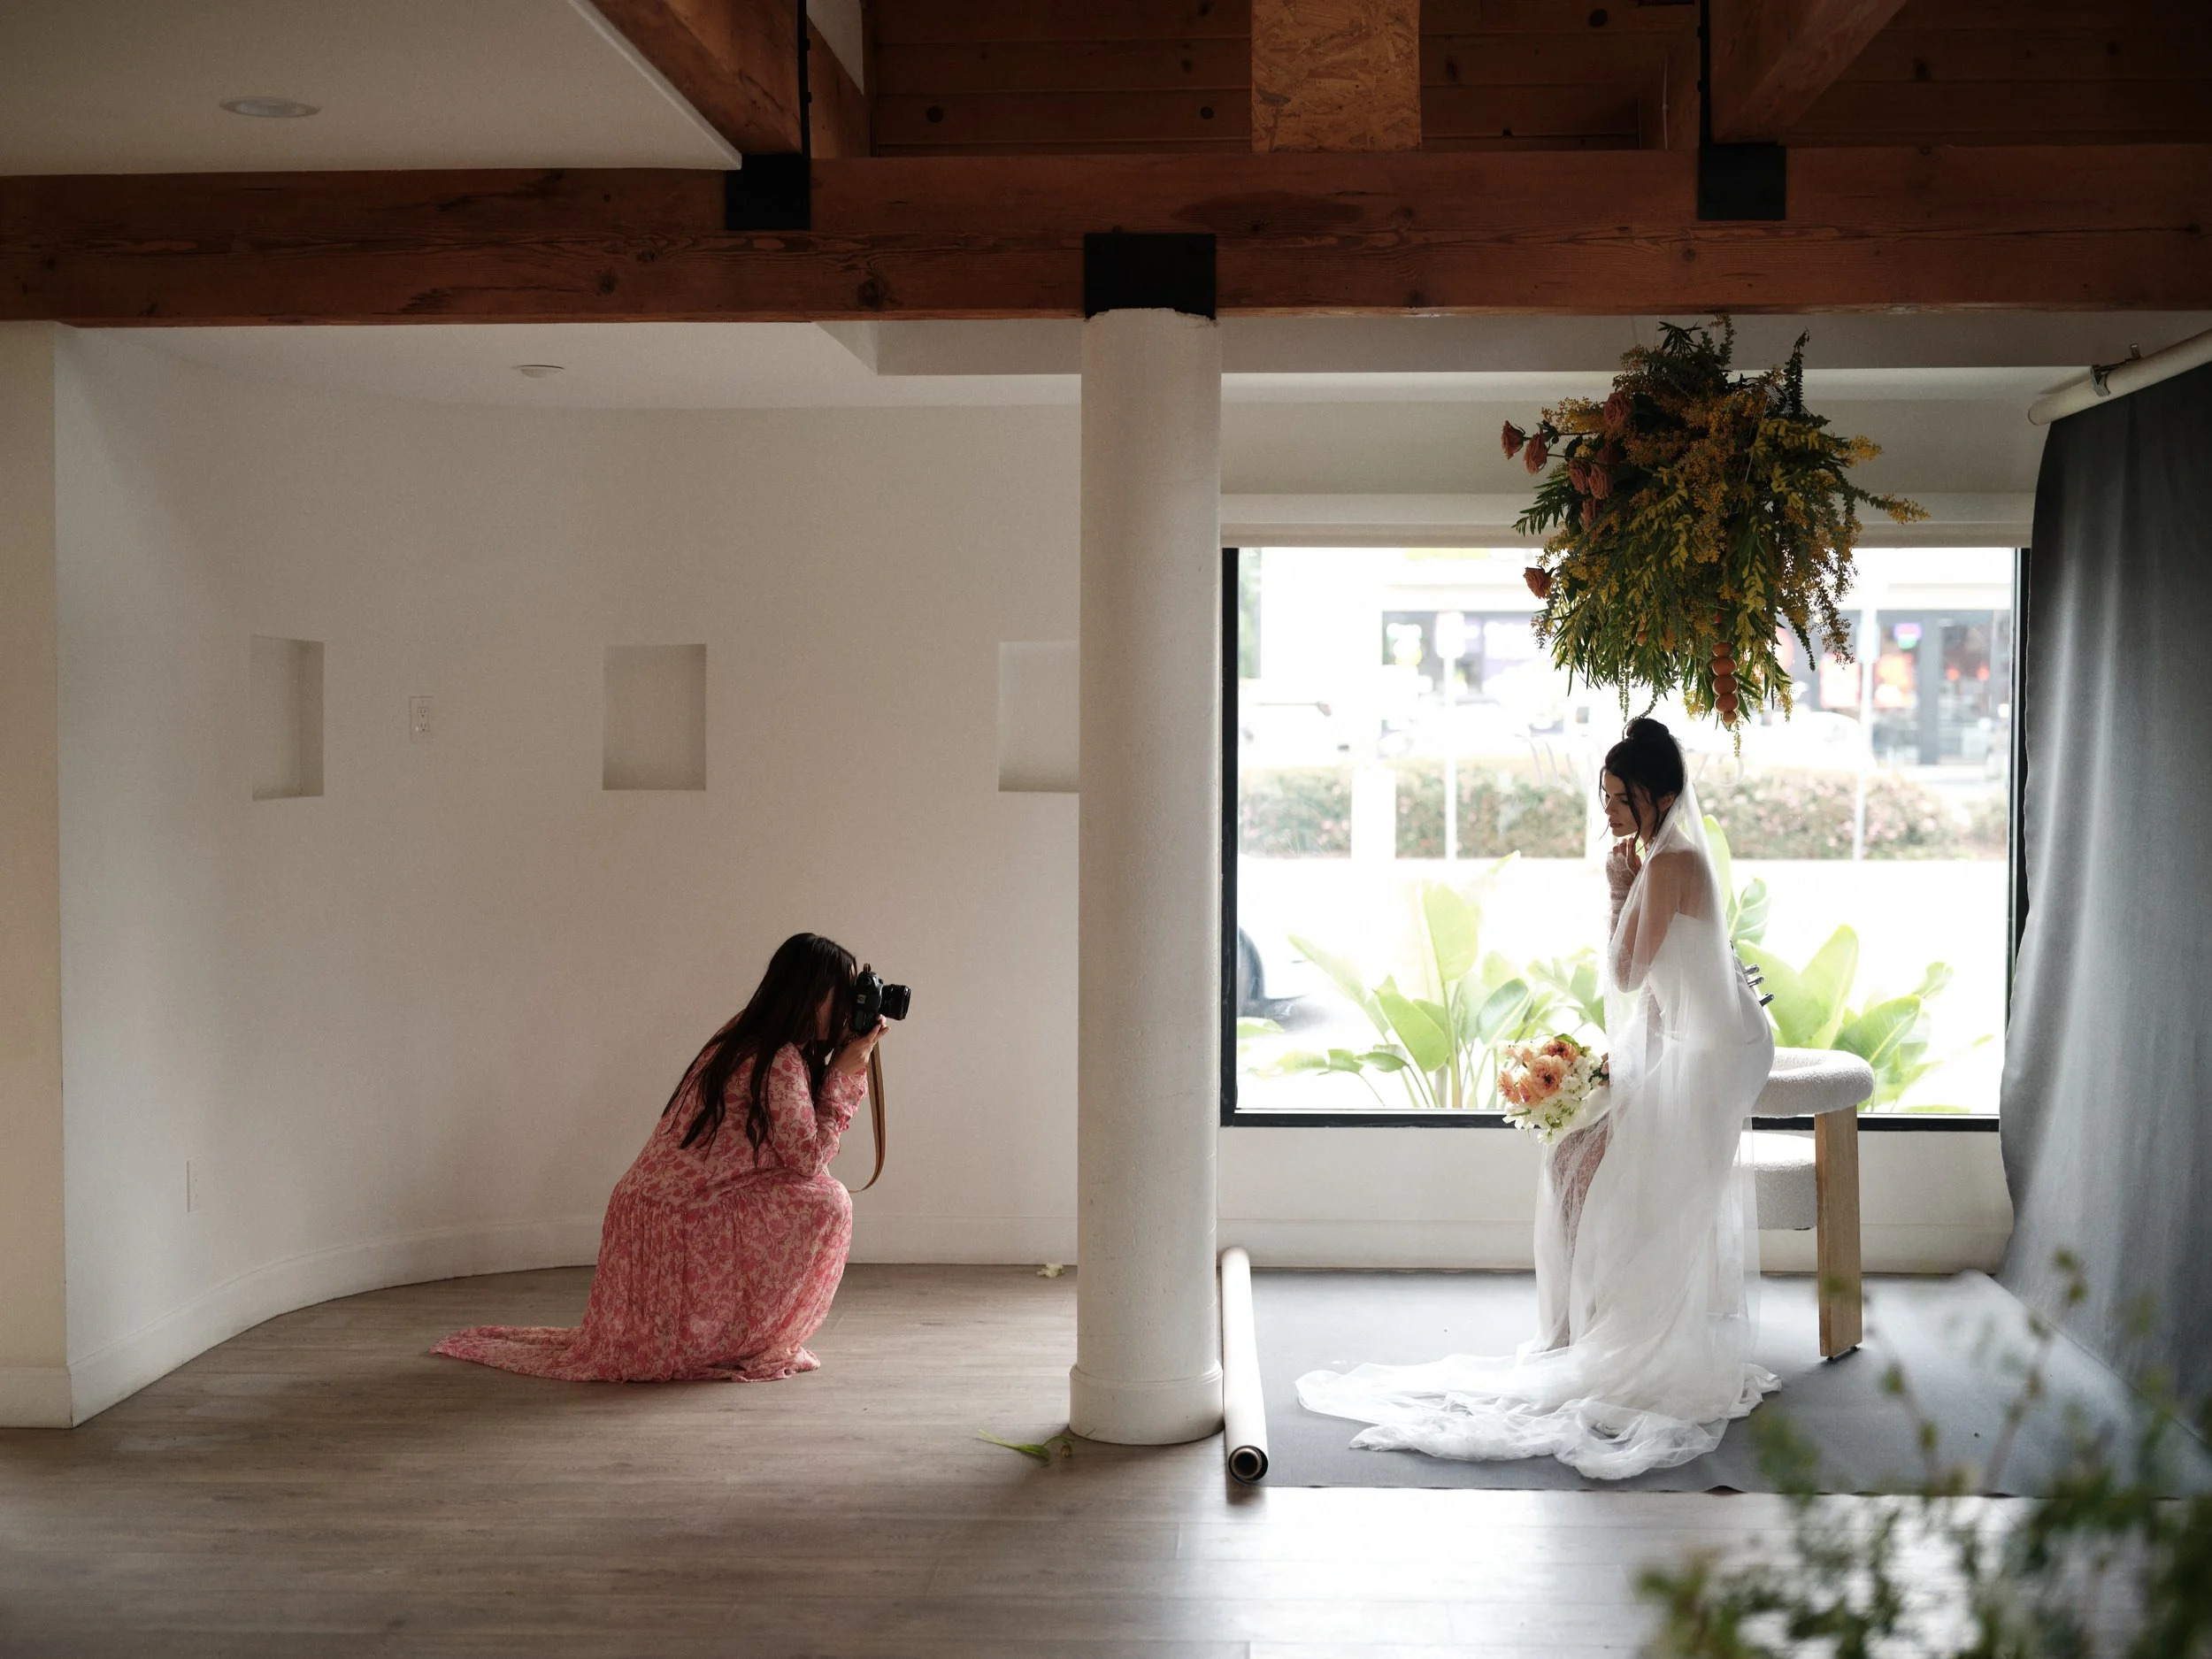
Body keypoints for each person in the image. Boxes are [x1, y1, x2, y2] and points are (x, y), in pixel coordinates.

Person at [1296, 718, 1778, 1479]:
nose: (1609, 811)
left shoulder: (1668, 862)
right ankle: (1581, 1326)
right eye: (1605, 795)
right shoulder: (1664, 855)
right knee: (1579, 1151)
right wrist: (1622, 1066)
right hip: (1693, 1038)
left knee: (1610, 1166)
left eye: (1619, 796)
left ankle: (1603, 1332)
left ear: (1659, 794)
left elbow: (1625, 973)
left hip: (1720, 1054)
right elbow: (1657, 986)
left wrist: (1616, 891)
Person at [434, 933, 887, 1383]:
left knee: (816, 1193)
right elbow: (807, 1158)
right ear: (812, 994)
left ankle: (725, 1335)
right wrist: (845, 1078)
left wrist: (839, 1055)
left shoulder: (745, 1034)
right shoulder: (779, 1059)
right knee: (827, 1200)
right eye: (843, 994)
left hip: (653, 1214)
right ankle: (745, 1339)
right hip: (681, 1221)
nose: (850, 1006)